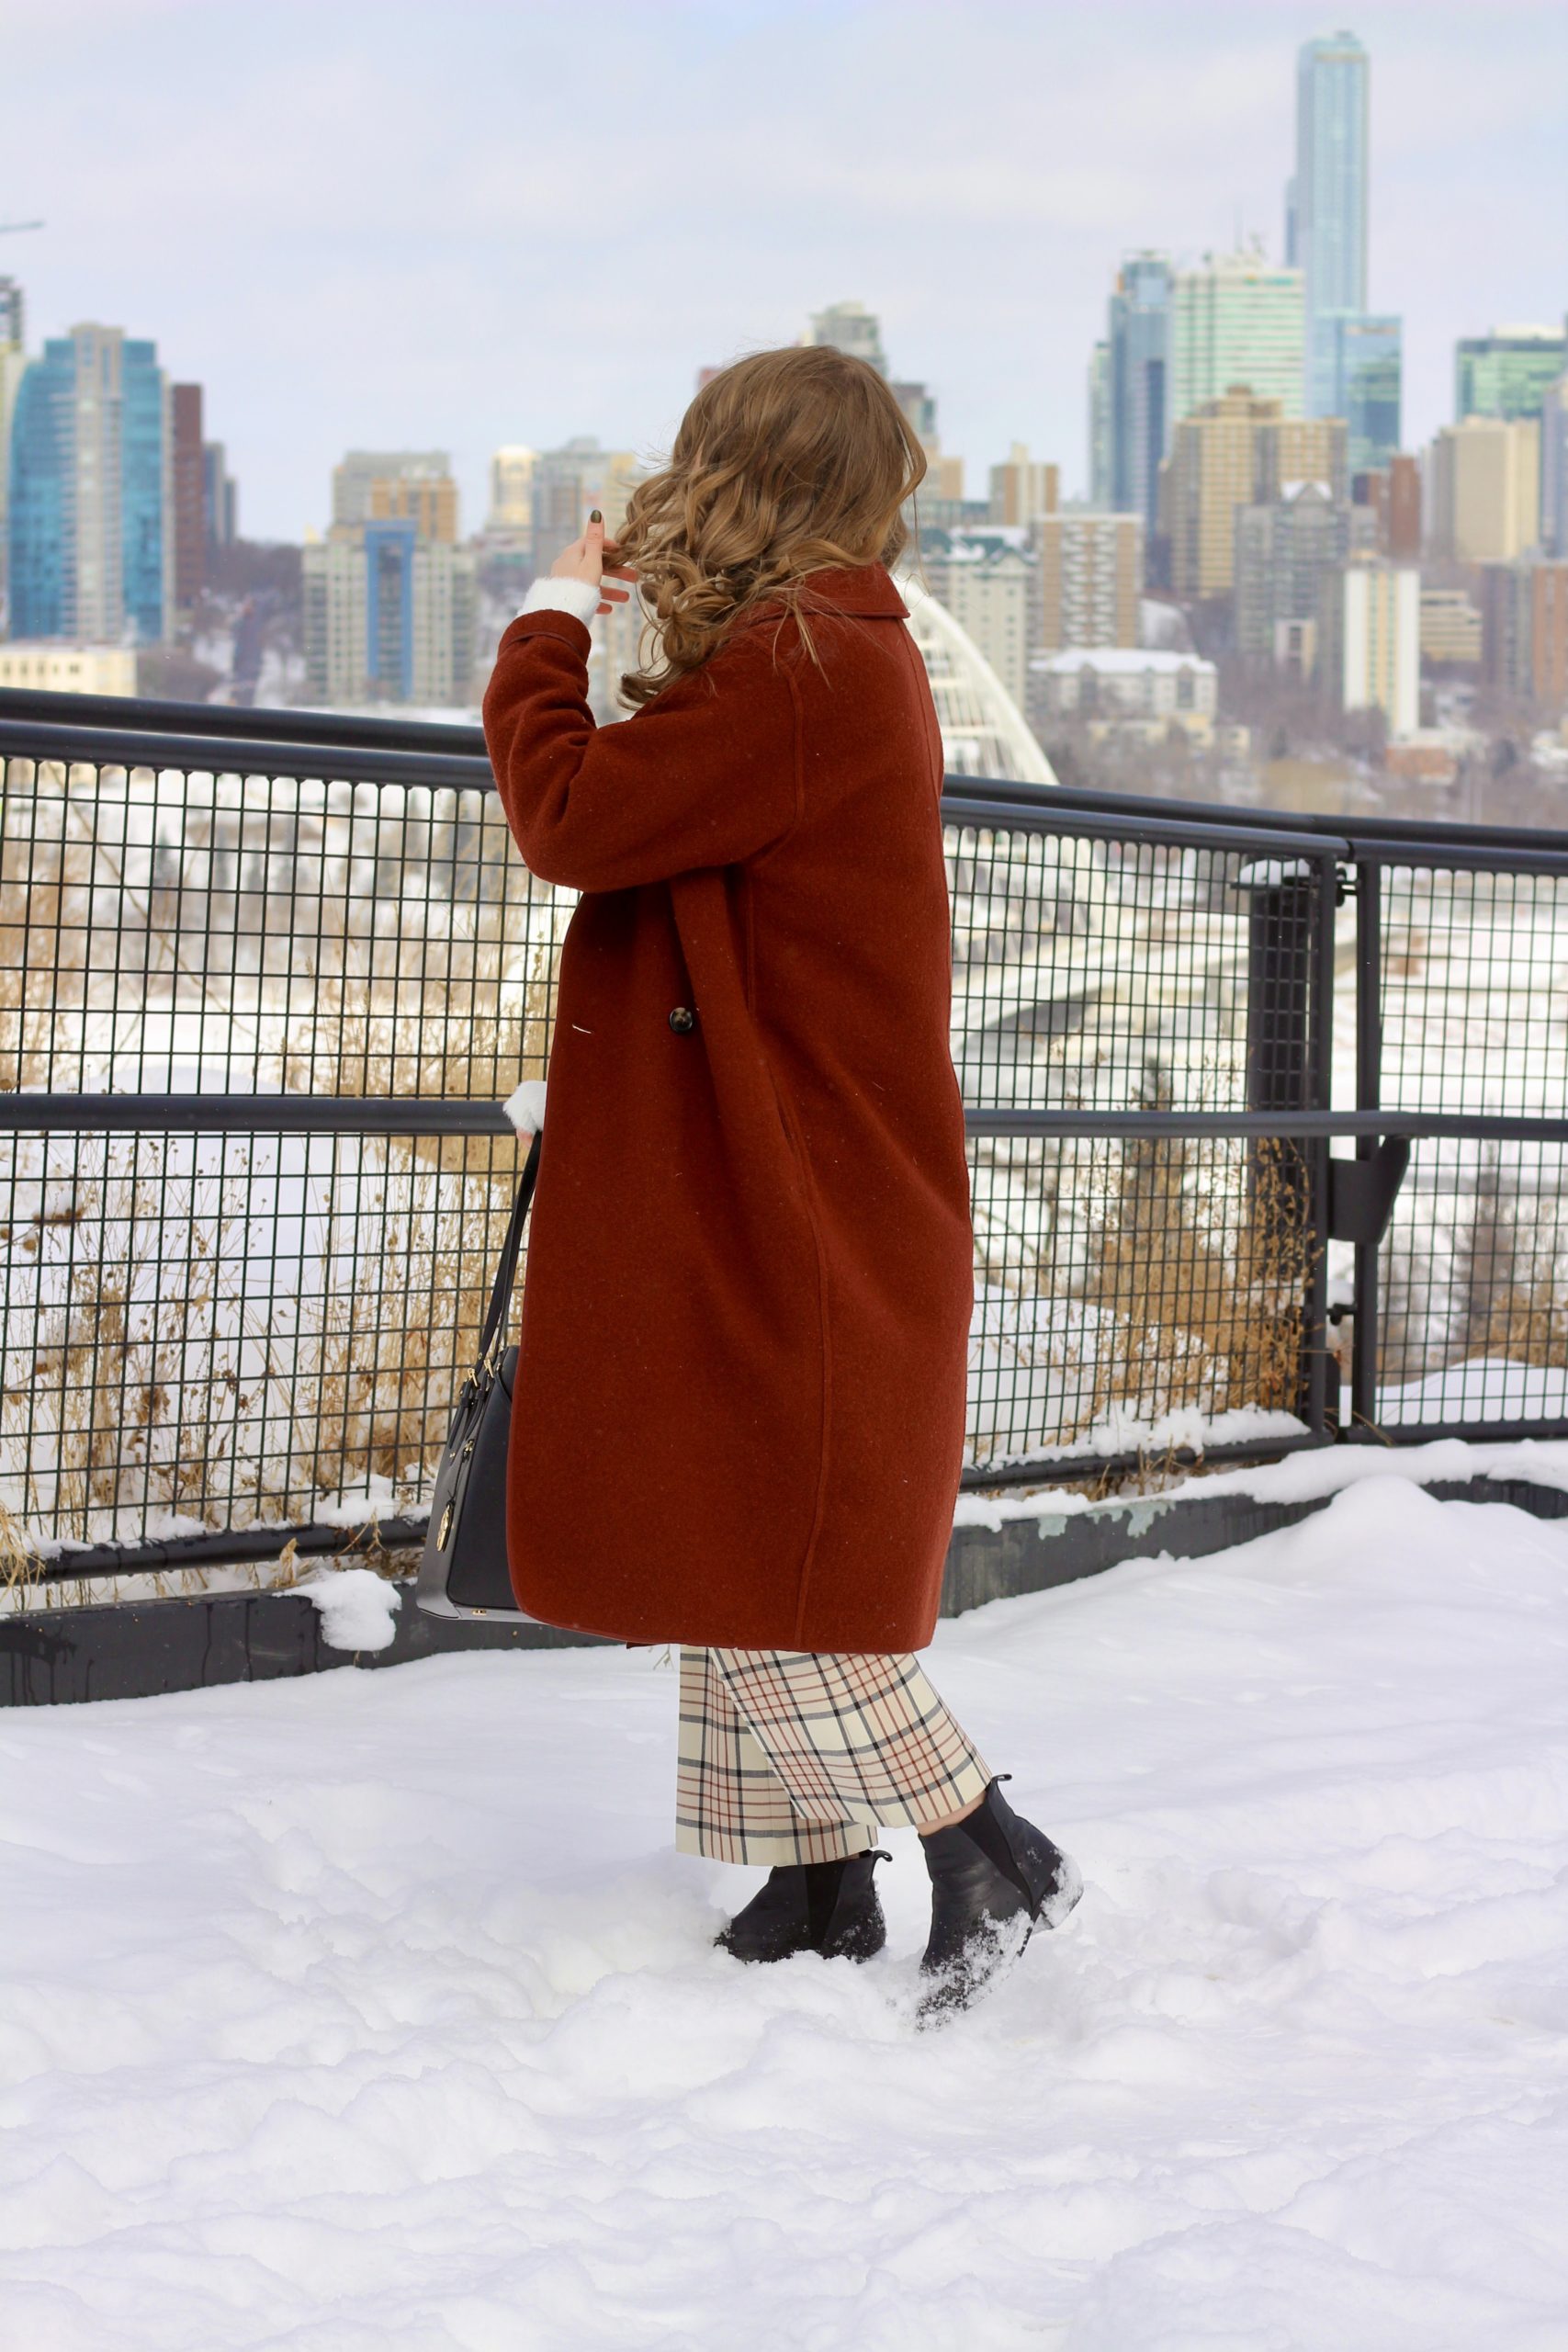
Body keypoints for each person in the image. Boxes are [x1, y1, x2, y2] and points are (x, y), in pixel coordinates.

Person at [482, 345, 1081, 2021]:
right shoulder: (808, 648)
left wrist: (547, 619)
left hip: (793, 1187)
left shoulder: (809, 657)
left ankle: (989, 1848)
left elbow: (576, 814)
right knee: (732, 1508)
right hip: (784, 1170)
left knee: (761, 1547)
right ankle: (814, 1880)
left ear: (734, 467)